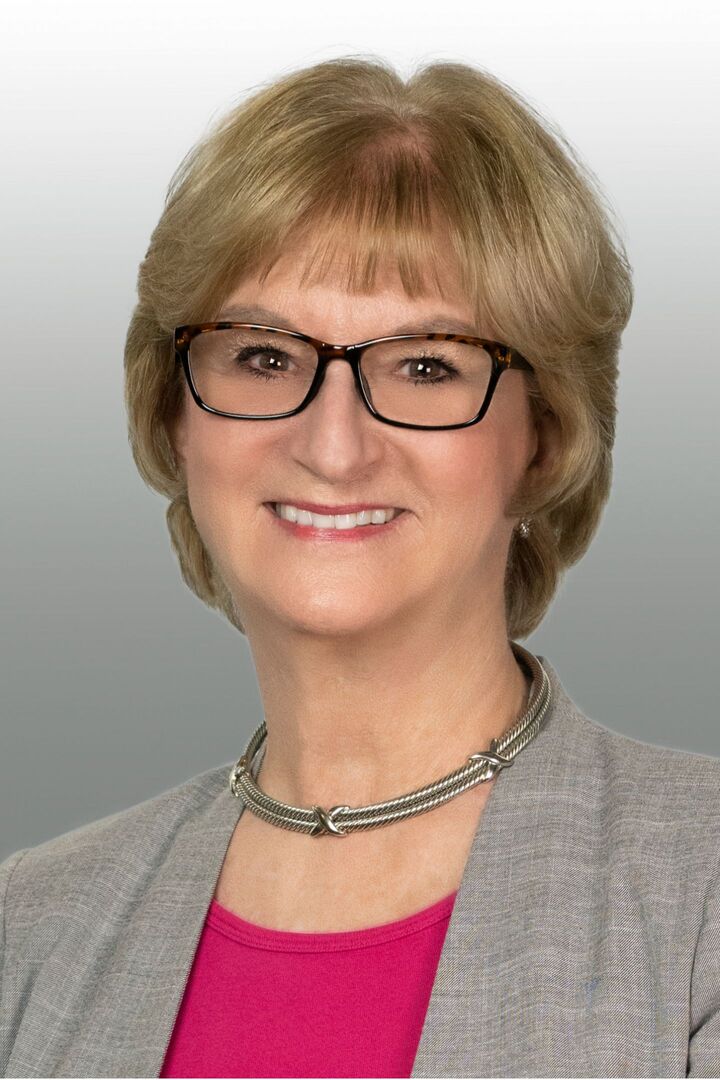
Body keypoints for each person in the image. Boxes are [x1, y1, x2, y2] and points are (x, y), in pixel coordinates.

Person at [1, 55, 719, 1080]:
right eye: (263, 355)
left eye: (426, 366)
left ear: (545, 439)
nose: (333, 446)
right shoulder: (27, 930)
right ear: (175, 415)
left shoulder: (701, 897)